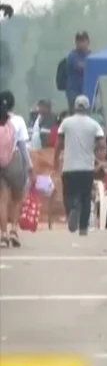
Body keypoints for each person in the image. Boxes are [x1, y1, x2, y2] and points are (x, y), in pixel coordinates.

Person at [55, 95, 105, 236]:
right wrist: (99, 158)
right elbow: (102, 145)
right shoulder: (94, 124)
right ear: (88, 108)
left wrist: (55, 161)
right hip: (87, 168)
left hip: (69, 167)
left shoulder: (66, 123)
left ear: (75, 107)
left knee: (69, 195)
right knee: (85, 197)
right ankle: (83, 227)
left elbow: (58, 144)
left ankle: (73, 209)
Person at [0, 91, 33, 248]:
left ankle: (3, 234)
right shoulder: (18, 121)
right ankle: (14, 230)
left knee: (2, 200)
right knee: (17, 198)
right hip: (14, 162)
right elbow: (22, 146)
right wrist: (29, 166)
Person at [65, 31, 90, 113]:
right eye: (79, 41)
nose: (81, 43)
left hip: (88, 92)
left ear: (88, 42)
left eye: (83, 41)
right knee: (75, 114)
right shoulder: (72, 56)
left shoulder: (91, 55)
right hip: (74, 93)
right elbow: (81, 67)